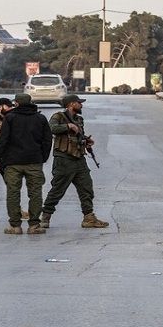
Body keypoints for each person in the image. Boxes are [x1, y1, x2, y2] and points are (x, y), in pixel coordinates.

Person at [41, 94, 109, 229]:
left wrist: (85, 140)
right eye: (79, 103)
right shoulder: (58, 117)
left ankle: (89, 217)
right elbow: (51, 129)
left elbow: (78, 135)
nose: (81, 105)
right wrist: (68, 126)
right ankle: (45, 217)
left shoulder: (79, 119)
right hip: (64, 159)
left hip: (79, 159)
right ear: (71, 104)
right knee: (58, 190)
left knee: (86, 188)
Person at [0, 93, 51, 235]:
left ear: (16, 103)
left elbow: (2, 140)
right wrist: (42, 157)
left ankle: (15, 226)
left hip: (13, 162)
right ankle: (34, 225)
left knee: (13, 192)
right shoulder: (40, 118)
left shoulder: (10, 118)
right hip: (34, 161)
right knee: (35, 193)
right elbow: (47, 140)